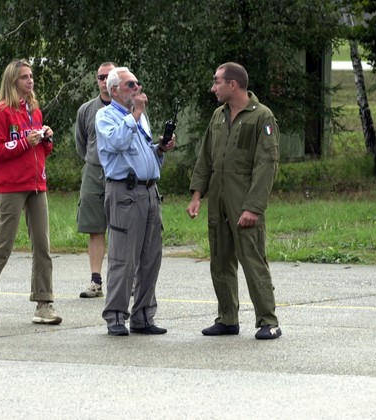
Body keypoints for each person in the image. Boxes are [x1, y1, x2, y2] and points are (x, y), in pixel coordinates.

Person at [186, 62, 282, 340]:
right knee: (220, 260)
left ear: (233, 85)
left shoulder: (262, 118)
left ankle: (268, 320)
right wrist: (196, 195)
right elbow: (205, 157)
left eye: (217, 82)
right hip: (217, 201)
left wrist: (253, 206)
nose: (213, 87)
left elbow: (267, 165)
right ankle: (227, 318)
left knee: (252, 261)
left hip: (244, 203)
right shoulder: (218, 116)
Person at [0, 59, 61, 325]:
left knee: (42, 244)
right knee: (4, 244)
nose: (30, 81)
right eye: (24, 77)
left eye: (31, 76)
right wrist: (22, 142)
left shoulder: (34, 111)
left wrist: (45, 139)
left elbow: (39, 151)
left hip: (36, 185)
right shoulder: (1, 112)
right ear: (12, 81)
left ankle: (44, 303)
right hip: (11, 187)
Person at [96, 67, 175, 336]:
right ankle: (116, 316)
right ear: (114, 90)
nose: (137, 88)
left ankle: (143, 315)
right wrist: (135, 115)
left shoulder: (140, 118)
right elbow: (117, 142)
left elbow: (141, 150)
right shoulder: (106, 116)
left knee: (151, 257)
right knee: (123, 258)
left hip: (150, 192)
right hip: (124, 194)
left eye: (138, 83)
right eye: (131, 85)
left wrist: (159, 149)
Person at [75, 61, 116, 298]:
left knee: (122, 228)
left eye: (109, 77)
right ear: (97, 80)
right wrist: (93, 161)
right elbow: (82, 143)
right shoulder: (87, 110)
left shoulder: (129, 108)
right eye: (101, 77)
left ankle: (126, 280)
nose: (104, 81)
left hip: (119, 174)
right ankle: (95, 281)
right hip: (93, 170)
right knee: (94, 228)